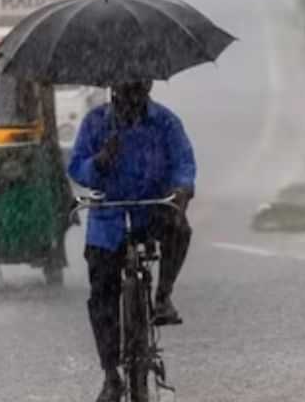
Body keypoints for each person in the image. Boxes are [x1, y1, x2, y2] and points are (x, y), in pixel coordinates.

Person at [68, 80, 195, 402]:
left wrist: (181, 190)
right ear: (113, 92)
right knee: (102, 297)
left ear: (148, 88)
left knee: (180, 230)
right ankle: (111, 375)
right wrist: (99, 161)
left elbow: (184, 163)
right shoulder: (95, 123)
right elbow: (77, 168)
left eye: (137, 92)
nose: (129, 100)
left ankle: (163, 296)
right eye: (123, 93)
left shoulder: (166, 122)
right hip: (108, 218)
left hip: (151, 209)